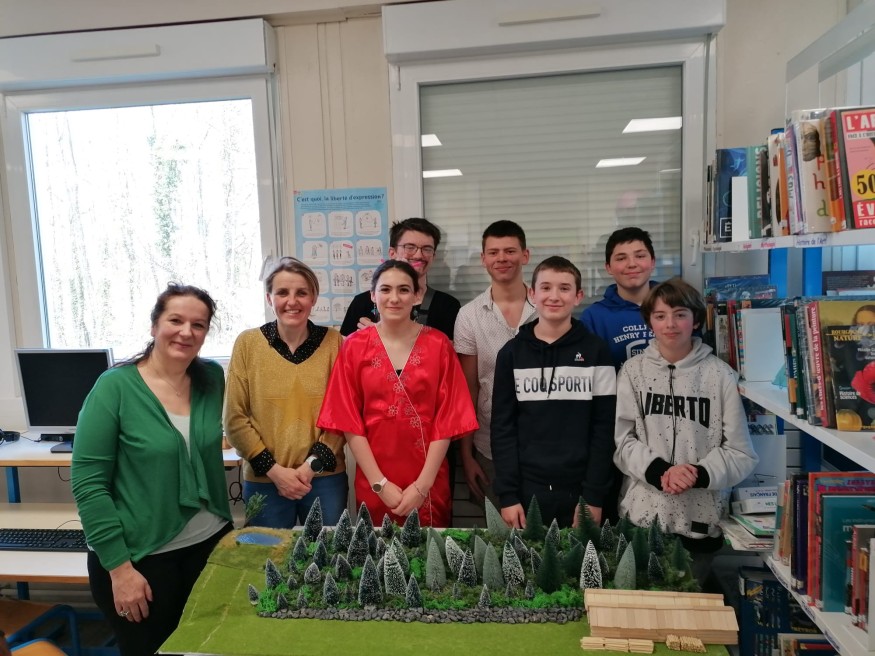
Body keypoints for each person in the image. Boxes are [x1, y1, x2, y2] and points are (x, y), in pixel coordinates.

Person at [71, 284, 233, 656]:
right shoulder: (114, 387)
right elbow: (88, 484)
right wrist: (119, 570)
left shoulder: (211, 378)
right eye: (175, 320)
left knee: (206, 649)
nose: (186, 332)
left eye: (198, 324)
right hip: (142, 559)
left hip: (208, 547)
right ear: (154, 325)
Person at [613, 278, 758, 585]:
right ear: (650, 322)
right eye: (660, 316)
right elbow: (623, 442)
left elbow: (741, 453)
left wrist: (697, 474)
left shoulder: (720, 375)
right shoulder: (632, 372)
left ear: (696, 320)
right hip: (642, 517)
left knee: (690, 606)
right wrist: (661, 471)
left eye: (680, 314)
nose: (670, 324)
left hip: (700, 520)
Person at [318, 260, 477, 527]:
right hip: (374, 478)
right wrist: (380, 484)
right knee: (376, 549)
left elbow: (448, 420)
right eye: (385, 289)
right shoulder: (354, 346)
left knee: (429, 551)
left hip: (429, 480)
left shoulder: (439, 345)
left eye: (404, 290)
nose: (394, 298)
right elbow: (348, 420)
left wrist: (422, 487)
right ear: (373, 295)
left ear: (417, 296)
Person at [491, 256, 617, 529]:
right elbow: (502, 429)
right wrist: (508, 495)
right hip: (525, 491)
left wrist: (594, 495)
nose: (554, 296)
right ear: (532, 294)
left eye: (564, 288)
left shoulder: (597, 351)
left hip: (582, 491)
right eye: (546, 287)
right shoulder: (511, 354)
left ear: (578, 296)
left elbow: (604, 429)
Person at [224, 257, 347, 528]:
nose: (292, 301)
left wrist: (309, 468)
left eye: (301, 292)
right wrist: (276, 472)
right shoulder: (247, 344)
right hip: (265, 479)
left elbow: (343, 413)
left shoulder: (335, 343)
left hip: (324, 479)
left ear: (313, 298)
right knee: (266, 552)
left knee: (328, 551)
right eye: (282, 292)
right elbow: (234, 418)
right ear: (269, 298)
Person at [454, 220, 536, 507]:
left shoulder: (547, 308)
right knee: (500, 529)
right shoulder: (469, 316)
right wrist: (466, 456)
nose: (502, 258)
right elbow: (469, 390)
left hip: (544, 444)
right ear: (483, 259)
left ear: (525, 255)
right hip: (489, 447)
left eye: (510, 251)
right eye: (493, 252)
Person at [339, 217, 461, 340]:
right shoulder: (361, 303)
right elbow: (345, 347)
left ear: (433, 256)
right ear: (392, 253)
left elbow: (448, 350)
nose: (419, 255)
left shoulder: (448, 306)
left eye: (427, 249)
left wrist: (381, 336)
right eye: (410, 247)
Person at [581, 226, 657, 369]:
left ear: (653, 262)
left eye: (640, 256)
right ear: (608, 267)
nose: (632, 264)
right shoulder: (593, 318)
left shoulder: (676, 307)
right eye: (621, 258)